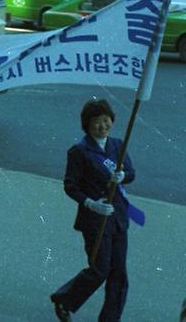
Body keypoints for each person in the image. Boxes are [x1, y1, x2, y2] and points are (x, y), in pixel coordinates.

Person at [50, 99, 135, 322]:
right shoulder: (79, 151)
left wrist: (123, 176)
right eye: (97, 122)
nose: (102, 126)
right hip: (94, 220)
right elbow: (71, 186)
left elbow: (132, 173)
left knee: (119, 274)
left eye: (106, 121)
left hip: (118, 218)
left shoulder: (118, 145)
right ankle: (64, 300)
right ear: (87, 125)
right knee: (100, 269)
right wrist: (90, 203)